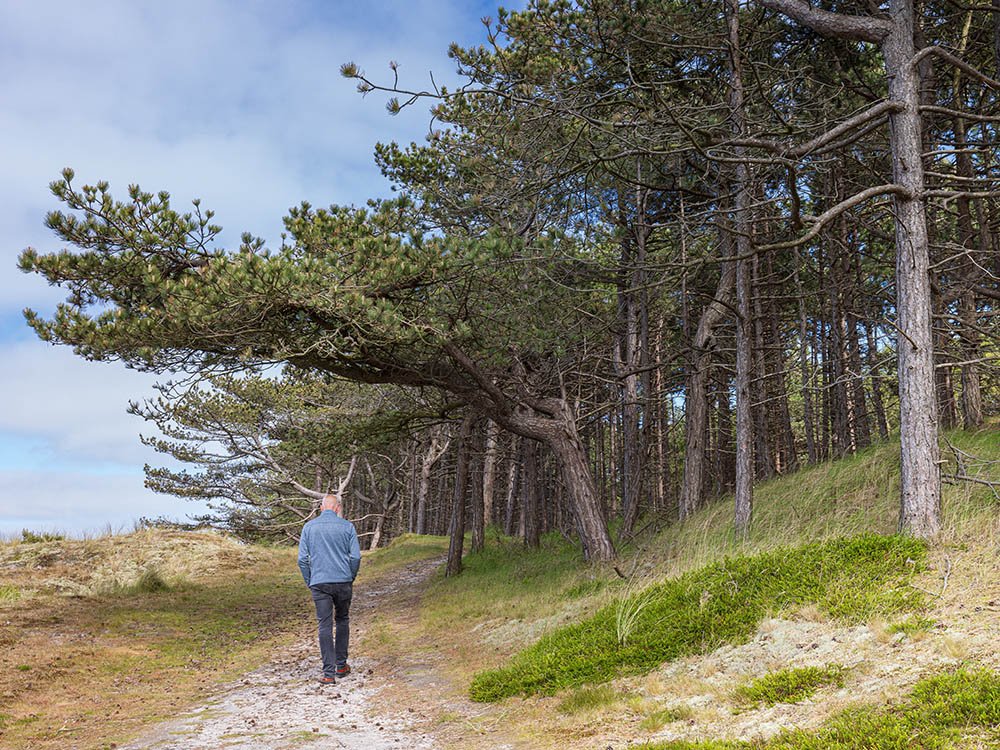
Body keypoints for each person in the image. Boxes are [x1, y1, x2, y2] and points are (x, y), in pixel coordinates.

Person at [297, 493, 362, 685]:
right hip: (343, 581)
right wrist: (350, 576)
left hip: (320, 583)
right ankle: (341, 665)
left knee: (324, 625)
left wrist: (310, 580)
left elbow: (302, 559)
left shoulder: (309, 527)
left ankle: (328, 673)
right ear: (337, 508)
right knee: (342, 620)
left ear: (321, 508)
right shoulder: (348, 527)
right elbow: (355, 558)